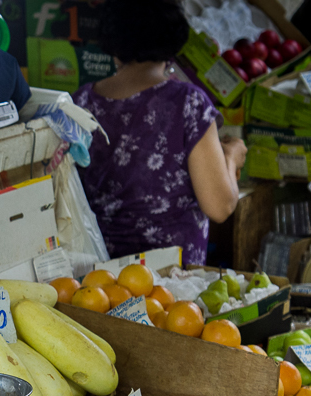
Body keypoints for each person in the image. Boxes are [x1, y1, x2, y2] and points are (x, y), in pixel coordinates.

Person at [73, 0, 248, 265]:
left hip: (100, 275)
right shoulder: (188, 103)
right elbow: (220, 206)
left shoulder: (81, 102)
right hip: (170, 282)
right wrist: (232, 157)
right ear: (173, 37)